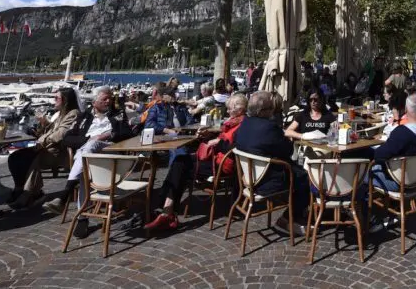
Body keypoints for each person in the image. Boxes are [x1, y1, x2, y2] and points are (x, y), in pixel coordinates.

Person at [144, 93, 248, 233]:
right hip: (215, 159)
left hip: (222, 165)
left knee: (181, 164)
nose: (228, 112)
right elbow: (223, 140)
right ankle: (167, 210)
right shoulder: (232, 123)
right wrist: (208, 137)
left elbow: (237, 148)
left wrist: (217, 143)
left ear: (239, 109)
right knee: (180, 162)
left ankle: (166, 210)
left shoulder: (242, 126)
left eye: (230, 109)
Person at [42, 86, 133, 237]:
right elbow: (67, 139)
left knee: (89, 152)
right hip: (89, 159)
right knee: (86, 168)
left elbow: (128, 133)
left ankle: (66, 197)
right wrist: (89, 139)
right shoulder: (84, 117)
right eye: (105, 99)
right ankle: (82, 219)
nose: (108, 101)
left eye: (110, 98)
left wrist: (106, 135)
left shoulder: (118, 114)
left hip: (109, 156)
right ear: (95, 101)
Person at [233, 92, 308, 234]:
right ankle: (290, 219)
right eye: (271, 109)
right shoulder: (269, 127)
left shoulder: (245, 123)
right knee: (306, 178)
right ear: (262, 111)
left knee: (297, 172)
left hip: (248, 178)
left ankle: (296, 215)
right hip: (266, 181)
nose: (273, 112)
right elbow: (287, 150)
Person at [7, 87, 81, 209]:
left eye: (57, 98)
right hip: (48, 148)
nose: (54, 100)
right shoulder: (60, 114)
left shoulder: (73, 114)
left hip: (59, 152)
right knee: (15, 157)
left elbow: (61, 134)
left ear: (65, 100)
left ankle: (29, 194)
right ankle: (20, 189)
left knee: (32, 158)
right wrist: (44, 123)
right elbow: (53, 129)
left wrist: (42, 142)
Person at [369, 94, 416, 196]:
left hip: (396, 182)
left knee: (360, 172)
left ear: (406, 109)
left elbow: (379, 156)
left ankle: (363, 207)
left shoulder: (402, 133)